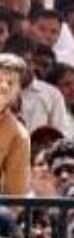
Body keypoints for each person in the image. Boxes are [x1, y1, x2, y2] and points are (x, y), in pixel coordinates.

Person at [0, 53, 31, 195]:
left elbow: (15, 195)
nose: (4, 87)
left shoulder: (19, 135)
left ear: (18, 90)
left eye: (11, 82)